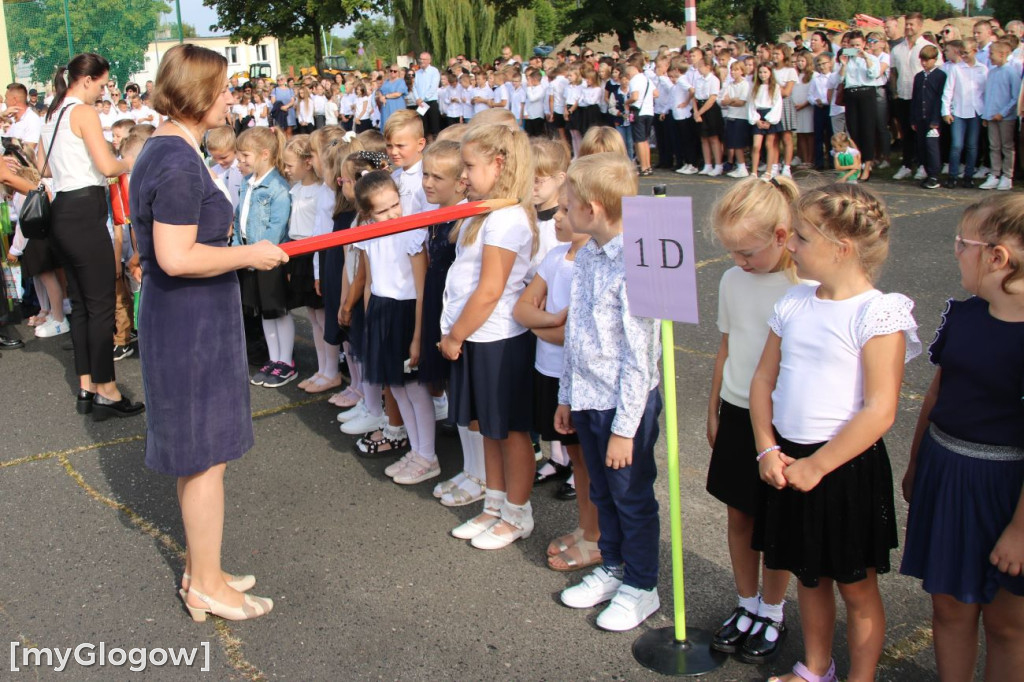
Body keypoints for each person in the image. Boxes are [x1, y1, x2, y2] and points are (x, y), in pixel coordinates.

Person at [129, 43, 283, 622]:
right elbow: (174, 256)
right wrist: (251, 254)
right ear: (197, 94)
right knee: (206, 458)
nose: (230, 99)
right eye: (221, 90)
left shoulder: (169, 147)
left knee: (199, 456)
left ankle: (204, 567)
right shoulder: (172, 158)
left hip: (191, 319)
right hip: (189, 325)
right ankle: (207, 587)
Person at [751, 183, 921, 682]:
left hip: (844, 466)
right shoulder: (796, 301)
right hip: (788, 461)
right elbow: (764, 378)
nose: (791, 246)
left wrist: (817, 465)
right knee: (809, 575)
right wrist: (767, 447)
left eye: (801, 238)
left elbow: (880, 408)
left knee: (857, 586)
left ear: (841, 248)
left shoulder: (877, 312)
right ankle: (816, 667)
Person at [900, 194, 1024, 682]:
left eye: (962, 243)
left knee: (1007, 624)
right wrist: (915, 463)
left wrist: (1019, 529)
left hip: (1007, 492)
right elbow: (937, 392)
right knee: (949, 609)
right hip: (946, 473)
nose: (955, 252)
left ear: (998, 257)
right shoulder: (964, 315)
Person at [555, 152, 662, 632]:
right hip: (589, 398)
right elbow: (578, 332)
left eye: (568, 204)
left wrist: (625, 429)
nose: (563, 210)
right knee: (600, 490)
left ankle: (642, 585)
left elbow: (640, 356)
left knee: (630, 496)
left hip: (624, 406)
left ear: (592, 209)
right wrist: (567, 395)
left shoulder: (636, 262)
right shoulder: (591, 256)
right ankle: (614, 565)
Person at [707, 176, 799, 662]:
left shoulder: (803, 285)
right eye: (733, 253)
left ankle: (773, 608)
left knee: (775, 521)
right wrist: (714, 405)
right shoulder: (731, 279)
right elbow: (727, 344)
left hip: (784, 421)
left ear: (783, 236)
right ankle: (746, 603)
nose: (740, 262)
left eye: (748, 252)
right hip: (738, 410)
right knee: (739, 513)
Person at [440, 124, 538, 550]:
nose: (464, 175)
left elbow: (490, 289)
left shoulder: (507, 219)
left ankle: (518, 512)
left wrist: (455, 334)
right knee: (487, 428)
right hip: (478, 337)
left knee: (510, 430)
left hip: (496, 338)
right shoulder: (485, 212)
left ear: (499, 165)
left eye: (469, 166)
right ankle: (494, 504)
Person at [38, 54, 143, 420]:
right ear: (86, 80)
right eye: (101, 85)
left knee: (81, 306)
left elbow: (45, 167)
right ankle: (107, 390)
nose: (102, 93)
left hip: (62, 212)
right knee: (100, 307)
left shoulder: (51, 114)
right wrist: (133, 160)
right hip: (84, 212)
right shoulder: (81, 113)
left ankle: (87, 386)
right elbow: (107, 166)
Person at [515, 183, 599, 572]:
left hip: (579, 377)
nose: (558, 218)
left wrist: (543, 325)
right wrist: (548, 322)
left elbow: (576, 334)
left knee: (588, 462)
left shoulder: (592, 263)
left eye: (566, 211)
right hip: (550, 371)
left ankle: (596, 536)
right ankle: (586, 528)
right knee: (578, 460)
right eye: (558, 210)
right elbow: (523, 310)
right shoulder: (554, 257)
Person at [350, 171, 437, 485]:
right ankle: (416, 451)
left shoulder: (412, 232)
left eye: (395, 205)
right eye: (382, 211)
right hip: (381, 311)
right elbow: (370, 281)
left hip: (407, 313)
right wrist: (370, 319)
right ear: (367, 214)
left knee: (414, 388)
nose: (392, 214)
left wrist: (417, 337)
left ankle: (428, 456)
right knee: (397, 388)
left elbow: (421, 288)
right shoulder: (368, 233)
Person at [232, 127, 294, 387]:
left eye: (245, 155)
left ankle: (287, 361)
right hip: (250, 256)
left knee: (277, 310)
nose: (240, 161)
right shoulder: (247, 183)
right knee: (263, 312)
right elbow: (239, 219)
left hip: (268, 257)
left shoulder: (277, 186)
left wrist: (257, 252)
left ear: (265, 154)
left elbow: (276, 226)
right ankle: (274, 357)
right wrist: (238, 248)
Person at [281, 135, 330, 391]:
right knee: (312, 316)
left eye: (290, 165)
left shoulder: (320, 190)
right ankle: (322, 368)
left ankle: (330, 369)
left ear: (307, 163)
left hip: (314, 254)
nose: (287, 170)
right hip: (298, 253)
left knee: (322, 317)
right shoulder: (296, 189)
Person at [941, 38, 986, 189]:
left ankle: (968, 176)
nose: (963, 56)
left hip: (976, 112)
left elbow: (985, 92)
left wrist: (985, 113)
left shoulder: (982, 69)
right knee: (956, 145)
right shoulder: (956, 68)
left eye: (966, 53)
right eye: (961, 53)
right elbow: (948, 90)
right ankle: (952, 176)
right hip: (959, 111)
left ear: (975, 51)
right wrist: (946, 111)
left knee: (972, 146)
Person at [979, 41, 1021, 192]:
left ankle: (1007, 176)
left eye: (991, 54)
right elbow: (988, 96)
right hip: (991, 116)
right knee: (994, 146)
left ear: (1002, 54)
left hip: (1005, 118)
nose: (989, 57)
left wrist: (1002, 113)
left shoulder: (1011, 72)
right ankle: (995, 174)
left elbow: (1015, 97)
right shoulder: (992, 72)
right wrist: (986, 114)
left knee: (1007, 146)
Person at [838, 32, 880, 181]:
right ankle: (857, 163)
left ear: (863, 44)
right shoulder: (847, 60)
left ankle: (867, 165)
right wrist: (843, 64)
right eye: (852, 45)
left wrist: (866, 57)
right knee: (853, 130)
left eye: (858, 45)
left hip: (866, 93)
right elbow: (840, 78)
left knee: (867, 130)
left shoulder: (871, 58)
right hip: (851, 94)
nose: (855, 48)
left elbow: (873, 74)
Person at [911, 45, 946, 190]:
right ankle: (926, 170)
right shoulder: (919, 77)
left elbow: (939, 98)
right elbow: (915, 98)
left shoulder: (940, 76)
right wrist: (913, 119)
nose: (924, 63)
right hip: (920, 117)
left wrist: (935, 120)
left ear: (935, 59)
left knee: (932, 147)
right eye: (922, 60)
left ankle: (934, 175)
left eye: (927, 60)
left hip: (933, 118)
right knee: (922, 146)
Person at [748, 63, 782, 180]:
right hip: (758, 115)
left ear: (770, 73)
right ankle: (754, 172)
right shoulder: (754, 87)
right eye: (761, 72)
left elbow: (777, 104)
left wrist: (769, 120)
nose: (763, 75)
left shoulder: (775, 87)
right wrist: (756, 119)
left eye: (765, 72)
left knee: (769, 144)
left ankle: (768, 171)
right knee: (756, 145)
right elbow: (751, 104)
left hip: (770, 115)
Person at [413, 52, 441, 140]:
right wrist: (417, 98)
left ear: (429, 61)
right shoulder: (417, 73)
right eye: (420, 59)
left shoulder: (434, 71)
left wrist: (423, 98)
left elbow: (433, 87)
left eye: (424, 59)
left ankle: (435, 144)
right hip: (421, 104)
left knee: (434, 126)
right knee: (423, 126)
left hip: (431, 101)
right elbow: (414, 87)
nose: (421, 61)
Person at [377, 65, 408, 132]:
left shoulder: (401, 81)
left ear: (398, 72)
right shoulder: (386, 81)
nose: (392, 72)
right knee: (386, 124)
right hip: (386, 107)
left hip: (396, 106)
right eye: (391, 71)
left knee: (397, 124)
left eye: (395, 71)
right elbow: (380, 90)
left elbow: (398, 94)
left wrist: (385, 96)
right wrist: (381, 97)